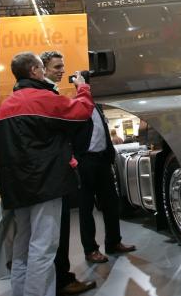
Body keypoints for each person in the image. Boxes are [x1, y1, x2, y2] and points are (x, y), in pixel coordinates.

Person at [0, 52, 94, 296]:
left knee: (22, 247)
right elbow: (81, 111)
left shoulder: (5, 107)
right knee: (43, 247)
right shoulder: (43, 99)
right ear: (35, 71)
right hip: (45, 183)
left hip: (16, 187)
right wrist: (82, 88)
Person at [39, 50, 96, 296]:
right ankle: (61, 280)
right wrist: (82, 89)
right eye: (57, 67)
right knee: (55, 233)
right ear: (40, 69)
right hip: (53, 172)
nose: (62, 71)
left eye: (62, 66)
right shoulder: (46, 95)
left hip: (51, 170)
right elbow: (80, 113)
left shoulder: (43, 93)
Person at [78, 104, 137, 264]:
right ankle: (90, 250)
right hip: (85, 161)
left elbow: (103, 132)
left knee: (111, 203)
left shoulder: (97, 106)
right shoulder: (75, 103)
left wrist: (110, 157)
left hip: (103, 160)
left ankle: (113, 242)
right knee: (86, 208)